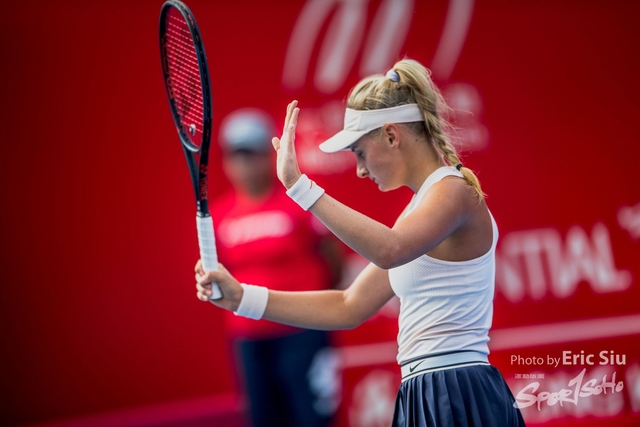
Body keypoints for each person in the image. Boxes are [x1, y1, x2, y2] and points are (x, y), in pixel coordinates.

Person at [197, 59, 526, 426]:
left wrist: (298, 187)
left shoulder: (454, 190)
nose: (360, 169)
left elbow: (390, 250)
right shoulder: (419, 211)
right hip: (425, 391)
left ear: (391, 135)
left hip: (459, 389)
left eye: (359, 152)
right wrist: (241, 298)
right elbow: (349, 305)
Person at [210, 108, 342, 427]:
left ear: (269, 156)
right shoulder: (219, 215)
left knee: (312, 418)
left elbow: (333, 261)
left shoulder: (300, 202)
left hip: (304, 331)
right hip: (249, 338)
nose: (244, 165)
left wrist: (314, 308)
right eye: (236, 156)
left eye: (252, 155)